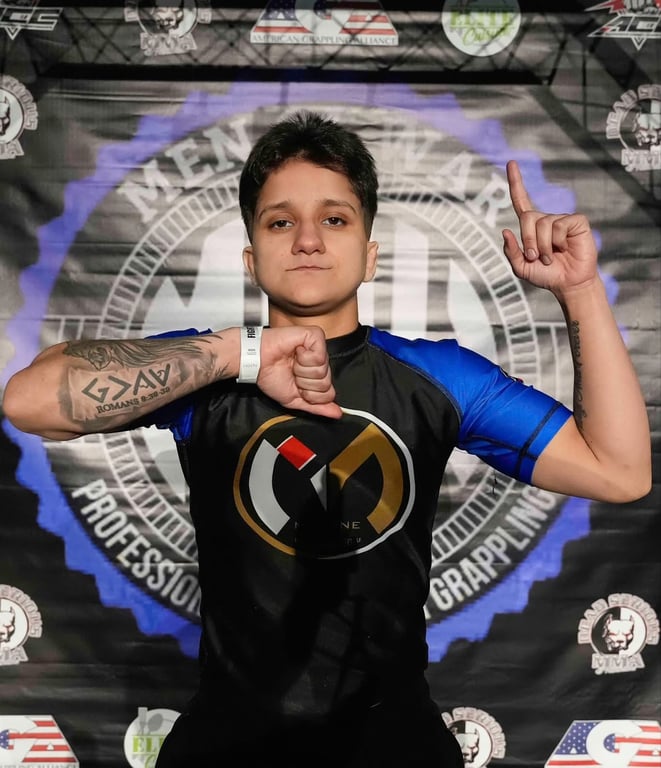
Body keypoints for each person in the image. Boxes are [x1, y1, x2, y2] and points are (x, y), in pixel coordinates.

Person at [3, 111, 651, 767]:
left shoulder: (439, 377)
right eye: (280, 222)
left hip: (392, 746)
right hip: (228, 747)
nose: (308, 239)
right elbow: (28, 401)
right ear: (252, 259)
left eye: (335, 219)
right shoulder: (207, 368)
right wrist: (239, 354)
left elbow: (618, 471)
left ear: (370, 256)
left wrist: (580, 291)